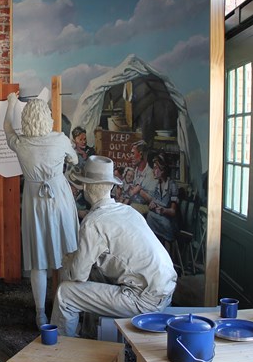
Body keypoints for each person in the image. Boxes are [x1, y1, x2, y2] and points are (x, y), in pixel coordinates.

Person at [51, 155, 177, 337]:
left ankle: (60, 350)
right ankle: (90, 334)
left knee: (66, 293)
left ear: (86, 187)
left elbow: (78, 274)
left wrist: (68, 260)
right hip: (166, 290)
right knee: (93, 273)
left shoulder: (93, 222)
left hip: (145, 300)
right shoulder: (128, 211)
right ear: (111, 186)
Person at [4, 92, 80, 328]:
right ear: (46, 117)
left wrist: (10, 103)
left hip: (34, 201)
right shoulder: (60, 139)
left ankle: (40, 314)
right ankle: (67, 307)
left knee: (39, 259)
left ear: (26, 119)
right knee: (68, 253)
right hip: (59, 198)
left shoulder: (21, 143)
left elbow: (7, 128)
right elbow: (75, 161)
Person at [140, 153, 180, 242]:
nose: (153, 171)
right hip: (158, 219)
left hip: (169, 222)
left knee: (150, 216)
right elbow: (154, 201)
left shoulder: (172, 185)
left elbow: (173, 212)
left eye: (155, 168)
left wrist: (163, 210)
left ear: (162, 170)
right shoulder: (157, 185)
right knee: (149, 216)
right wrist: (152, 204)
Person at [127, 140, 158, 215]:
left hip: (142, 211)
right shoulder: (134, 171)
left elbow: (153, 200)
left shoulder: (151, 175)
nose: (130, 157)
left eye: (133, 153)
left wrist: (139, 190)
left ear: (140, 155)